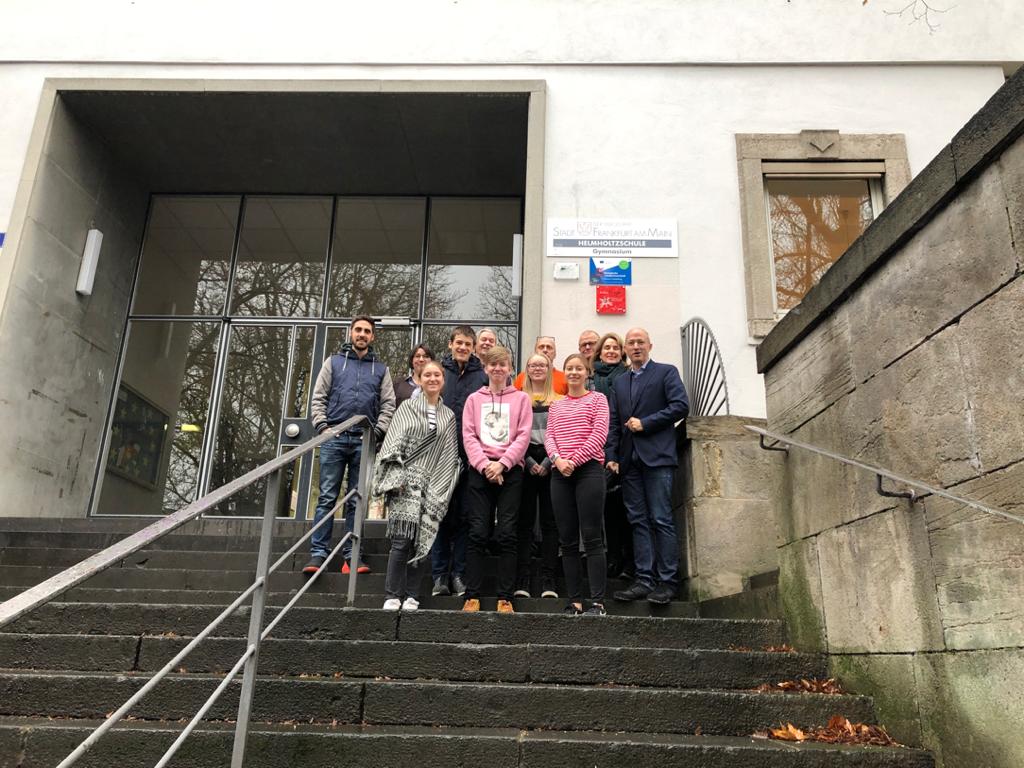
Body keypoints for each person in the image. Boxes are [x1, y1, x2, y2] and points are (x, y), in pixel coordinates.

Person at [304, 315, 396, 575]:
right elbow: (318, 397)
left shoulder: (381, 369)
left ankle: (352, 555)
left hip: (363, 442)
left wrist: (376, 433)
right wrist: (323, 427)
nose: (362, 334)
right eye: (358, 330)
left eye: (367, 331)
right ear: (351, 333)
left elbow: (388, 404)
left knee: (357, 500)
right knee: (327, 497)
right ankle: (318, 554)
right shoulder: (333, 362)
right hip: (334, 438)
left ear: (372, 336)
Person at [605, 328, 689, 605]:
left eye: (640, 342)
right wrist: (612, 455)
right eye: (631, 343)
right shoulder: (620, 382)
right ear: (626, 349)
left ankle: (667, 582)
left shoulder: (666, 372)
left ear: (650, 345)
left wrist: (646, 423)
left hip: (658, 458)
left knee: (661, 519)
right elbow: (614, 422)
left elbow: (681, 406)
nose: (636, 346)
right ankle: (644, 580)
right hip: (629, 462)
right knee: (637, 521)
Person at [376, 361, 461, 611]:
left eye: (437, 375)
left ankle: (412, 594)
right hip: (404, 483)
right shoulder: (407, 408)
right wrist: (397, 477)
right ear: (420, 379)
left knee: (423, 541)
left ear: (443, 380)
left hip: (432, 484)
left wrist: (439, 487)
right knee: (402, 541)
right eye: (427, 375)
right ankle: (392, 594)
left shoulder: (448, 416)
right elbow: (393, 442)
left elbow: (449, 454)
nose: (432, 379)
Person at [461, 346, 532, 613]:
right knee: (478, 532)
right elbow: (469, 435)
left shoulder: (521, 399)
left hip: (510, 470)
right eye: (493, 364)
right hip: (480, 470)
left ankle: (505, 597)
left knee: (507, 533)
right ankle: (472, 595)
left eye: (503, 364)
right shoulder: (473, 400)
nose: (498, 369)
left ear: (510, 368)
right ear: (485, 368)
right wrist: (485, 466)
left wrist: (502, 464)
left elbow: (523, 435)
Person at [545, 352, 611, 615]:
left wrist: (574, 460)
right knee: (568, 541)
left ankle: (597, 602)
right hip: (560, 473)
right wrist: (558, 460)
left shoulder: (598, 399)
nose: (573, 372)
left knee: (592, 537)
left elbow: (599, 435)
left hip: (588, 472)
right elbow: (549, 437)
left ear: (587, 372)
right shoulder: (556, 405)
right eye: (569, 368)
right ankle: (575, 601)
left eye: (579, 368)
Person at [431, 325, 488, 597]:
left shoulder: (482, 377)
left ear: (474, 347)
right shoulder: (439, 373)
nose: (463, 348)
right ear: (450, 344)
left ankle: (459, 575)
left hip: (471, 458)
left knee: (466, 517)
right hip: (440, 457)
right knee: (439, 515)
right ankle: (439, 575)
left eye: (468, 344)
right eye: (459, 343)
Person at [514, 353, 562, 600]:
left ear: (550, 368)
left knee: (550, 523)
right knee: (524, 523)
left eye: (542, 364)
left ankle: (548, 580)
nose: (537, 368)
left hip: (552, 460)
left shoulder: (560, 400)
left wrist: (547, 461)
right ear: (527, 369)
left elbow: (562, 434)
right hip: (524, 460)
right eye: (532, 365)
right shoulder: (517, 398)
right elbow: (513, 434)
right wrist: (530, 461)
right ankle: (522, 579)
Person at [588, 331, 634, 578]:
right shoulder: (591, 379)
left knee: (626, 509)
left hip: (624, 447)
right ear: (599, 352)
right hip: (597, 450)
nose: (611, 351)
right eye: (607, 347)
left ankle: (629, 562)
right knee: (606, 510)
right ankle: (613, 559)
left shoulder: (629, 376)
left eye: (615, 347)